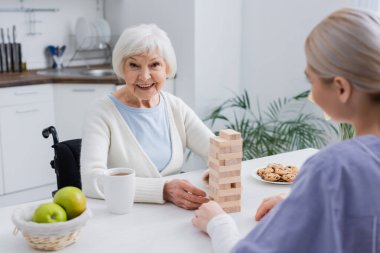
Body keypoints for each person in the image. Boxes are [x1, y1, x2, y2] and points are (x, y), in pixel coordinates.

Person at [192, 8, 380, 253]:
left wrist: (218, 223)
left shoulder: (332, 171)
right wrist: (304, 208)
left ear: (341, 88)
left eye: (310, 80)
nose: (311, 93)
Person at [80, 24, 214, 210]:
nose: (144, 76)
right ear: (122, 68)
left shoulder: (176, 107)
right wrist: (163, 190)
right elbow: (91, 181)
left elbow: (217, 152)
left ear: (166, 68)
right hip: (126, 215)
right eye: (134, 65)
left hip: (176, 214)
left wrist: (216, 175)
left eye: (154, 64)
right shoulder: (101, 112)